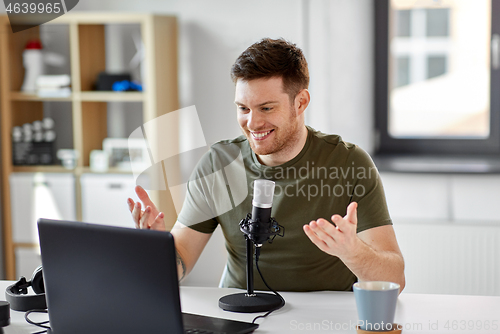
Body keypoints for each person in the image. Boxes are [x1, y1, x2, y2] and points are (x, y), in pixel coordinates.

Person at [128, 38, 405, 292]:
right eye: (243, 108)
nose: (253, 123)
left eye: (266, 108)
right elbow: (181, 262)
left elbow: (395, 280)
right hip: (239, 312)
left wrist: (352, 250)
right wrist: (156, 250)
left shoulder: (348, 163)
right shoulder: (218, 164)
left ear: (301, 102)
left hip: (323, 317)